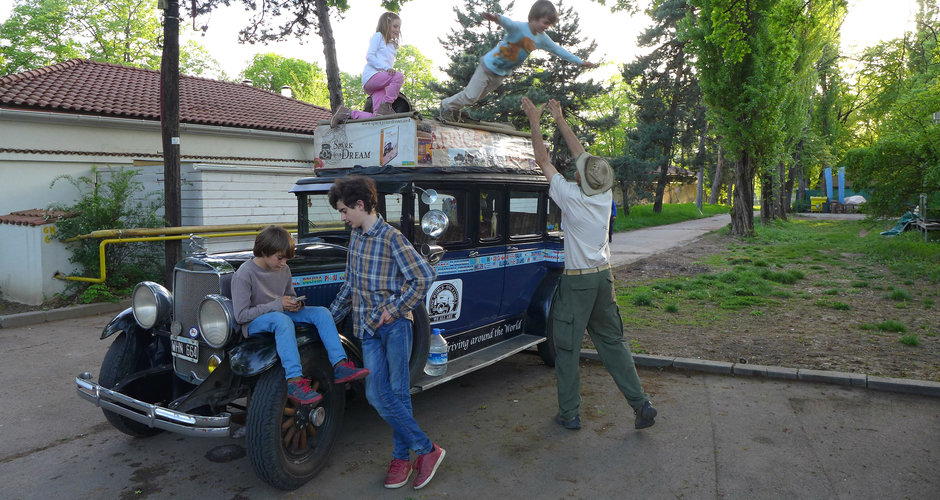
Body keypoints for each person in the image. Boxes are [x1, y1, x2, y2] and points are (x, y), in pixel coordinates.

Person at [521, 96, 658, 431]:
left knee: (566, 347)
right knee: (613, 343)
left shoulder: (571, 197)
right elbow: (583, 155)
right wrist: (560, 118)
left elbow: (542, 160)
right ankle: (641, 405)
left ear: (580, 179)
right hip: (603, 280)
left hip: (578, 282)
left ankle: (569, 414)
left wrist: (536, 120)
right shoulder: (603, 194)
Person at [327, 176, 445, 490]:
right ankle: (427, 450)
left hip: (395, 328)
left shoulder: (392, 238)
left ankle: (401, 459)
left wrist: (393, 309)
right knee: (375, 395)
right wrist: (328, 320)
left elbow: (423, 276)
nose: (342, 217)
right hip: (367, 330)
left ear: (360, 205)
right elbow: (350, 286)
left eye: (343, 211)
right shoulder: (356, 236)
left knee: (396, 394)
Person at [232, 225, 370, 406]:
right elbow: (241, 316)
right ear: (265, 251)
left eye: (286, 259)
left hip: (280, 313)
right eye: (279, 258)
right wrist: (278, 304)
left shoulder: (284, 269)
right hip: (254, 323)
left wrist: (297, 303)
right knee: (281, 320)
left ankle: (340, 365)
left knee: (322, 313)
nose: (283, 263)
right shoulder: (244, 274)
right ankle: (294, 381)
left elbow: (289, 295)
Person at [439, 1, 596, 121]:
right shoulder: (520, 28)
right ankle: (447, 105)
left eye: (549, 24)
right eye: (545, 22)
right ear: (533, 18)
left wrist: (579, 61)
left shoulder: (542, 39)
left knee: (477, 96)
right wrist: (497, 18)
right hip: (487, 66)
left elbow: (558, 50)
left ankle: (454, 107)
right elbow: (509, 23)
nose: (546, 27)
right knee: (471, 96)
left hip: (500, 75)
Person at [331, 12, 404, 127]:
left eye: (399, 27)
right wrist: (386, 68)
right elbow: (370, 56)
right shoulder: (378, 36)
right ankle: (386, 105)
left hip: (378, 83)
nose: (398, 30)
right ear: (386, 24)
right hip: (371, 77)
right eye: (395, 26)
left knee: (379, 117)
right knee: (398, 76)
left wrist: (386, 84)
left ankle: (346, 113)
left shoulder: (392, 46)